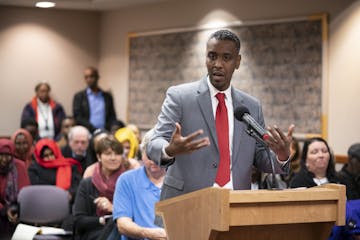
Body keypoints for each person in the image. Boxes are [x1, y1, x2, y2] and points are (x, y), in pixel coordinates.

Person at [146, 29, 294, 201]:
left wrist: (282, 155)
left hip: (235, 202)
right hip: (187, 202)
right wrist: (168, 150)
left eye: (226, 57)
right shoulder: (179, 96)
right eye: (212, 56)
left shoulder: (251, 106)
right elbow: (153, 143)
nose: (217, 64)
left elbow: (261, 157)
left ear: (237, 62)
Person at [113, 129, 167, 240]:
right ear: (141, 154)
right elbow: (122, 224)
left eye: (159, 154)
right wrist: (147, 233)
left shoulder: (181, 180)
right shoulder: (127, 180)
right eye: (149, 155)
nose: (153, 160)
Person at [73, 136, 126, 240]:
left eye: (117, 154)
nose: (113, 158)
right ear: (99, 157)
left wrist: (113, 209)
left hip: (122, 232)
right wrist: (103, 220)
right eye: (108, 154)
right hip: (93, 232)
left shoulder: (128, 182)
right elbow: (78, 221)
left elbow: (136, 215)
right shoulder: (87, 184)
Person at [28, 138, 82, 204]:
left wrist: (71, 193)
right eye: (46, 156)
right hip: (44, 203)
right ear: (39, 157)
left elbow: (77, 185)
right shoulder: (34, 169)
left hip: (68, 203)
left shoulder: (69, 165)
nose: (50, 158)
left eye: (51, 154)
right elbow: (37, 188)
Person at [0, 138, 30, 239]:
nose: (4, 159)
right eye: (1, 155)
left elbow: (25, 193)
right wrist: (5, 210)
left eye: (8, 155)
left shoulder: (19, 166)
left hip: (17, 210)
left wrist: (15, 209)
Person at [73, 66, 117, 133]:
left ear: (97, 77)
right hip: (86, 133)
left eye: (91, 76)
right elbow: (78, 117)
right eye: (86, 77)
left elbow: (112, 116)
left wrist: (112, 127)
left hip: (105, 132)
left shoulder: (107, 97)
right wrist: (92, 129)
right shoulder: (79, 97)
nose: (89, 79)